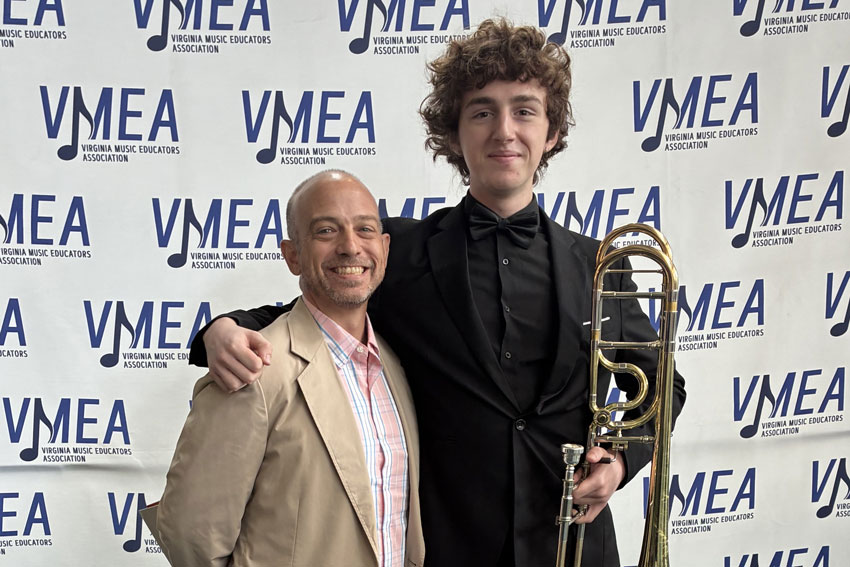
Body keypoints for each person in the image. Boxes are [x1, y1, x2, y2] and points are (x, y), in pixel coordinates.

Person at [189, 19, 686, 567]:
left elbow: (663, 391)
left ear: (552, 133)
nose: (503, 130)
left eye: (524, 110)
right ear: (453, 134)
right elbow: (305, 313)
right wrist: (221, 329)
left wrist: (618, 460)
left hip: (574, 547)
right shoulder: (399, 249)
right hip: (447, 549)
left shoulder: (599, 265)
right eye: (482, 112)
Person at [155, 171, 425, 567]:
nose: (350, 247)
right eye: (326, 231)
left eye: (365, 229)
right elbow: (191, 536)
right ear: (292, 254)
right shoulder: (252, 370)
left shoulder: (397, 366)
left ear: (384, 248)